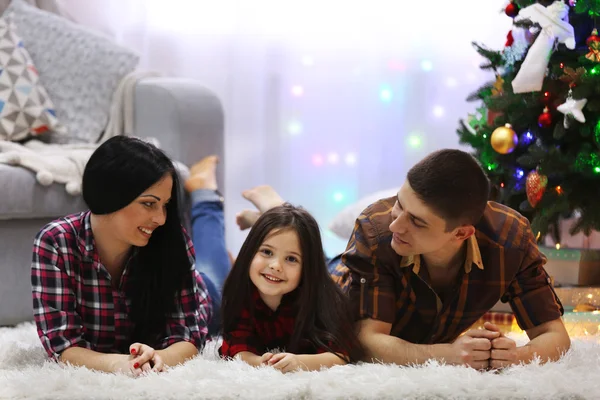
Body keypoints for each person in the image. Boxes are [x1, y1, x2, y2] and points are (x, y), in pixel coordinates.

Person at [236, 149, 571, 370]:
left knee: (307, 255)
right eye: (399, 203)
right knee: (306, 266)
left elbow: (555, 335)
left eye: (417, 221)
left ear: (461, 234)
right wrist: (450, 356)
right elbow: (366, 342)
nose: (396, 223)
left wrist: (515, 356)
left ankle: (274, 216)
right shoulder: (377, 228)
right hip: (335, 289)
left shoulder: (511, 240)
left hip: (355, 278)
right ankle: (273, 211)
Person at [31, 136, 213, 376]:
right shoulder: (55, 242)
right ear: (110, 196)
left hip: (209, 299)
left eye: (165, 205)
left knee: (220, 275)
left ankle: (206, 194)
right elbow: (63, 346)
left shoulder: (171, 239)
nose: (161, 219)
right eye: (149, 204)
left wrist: (158, 357)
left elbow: (189, 336)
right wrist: (119, 364)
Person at [218, 204, 363, 373]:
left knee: (329, 259)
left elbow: (341, 355)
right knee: (289, 229)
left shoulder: (325, 302)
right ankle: (263, 214)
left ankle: (269, 203)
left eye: (291, 259)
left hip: (333, 274)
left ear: (307, 268)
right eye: (267, 252)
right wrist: (257, 361)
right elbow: (235, 344)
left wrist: (300, 362)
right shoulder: (240, 292)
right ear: (249, 252)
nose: (275, 266)